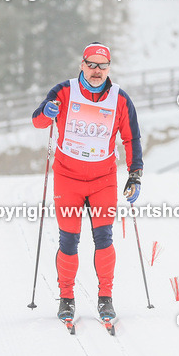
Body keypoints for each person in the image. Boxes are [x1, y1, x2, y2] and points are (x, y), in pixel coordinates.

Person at [32, 42, 143, 326]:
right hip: (68, 178)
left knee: (104, 238)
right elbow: (38, 122)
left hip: (102, 180)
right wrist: (49, 111)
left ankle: (105, 297)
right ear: (82, 64)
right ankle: (66, 299)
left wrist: (135, 173)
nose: (96, 71)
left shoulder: (120, 99)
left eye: (102, 66)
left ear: (109, 68)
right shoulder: (63, 91)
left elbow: (131, 138)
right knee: (69, 239)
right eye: (91, 64)